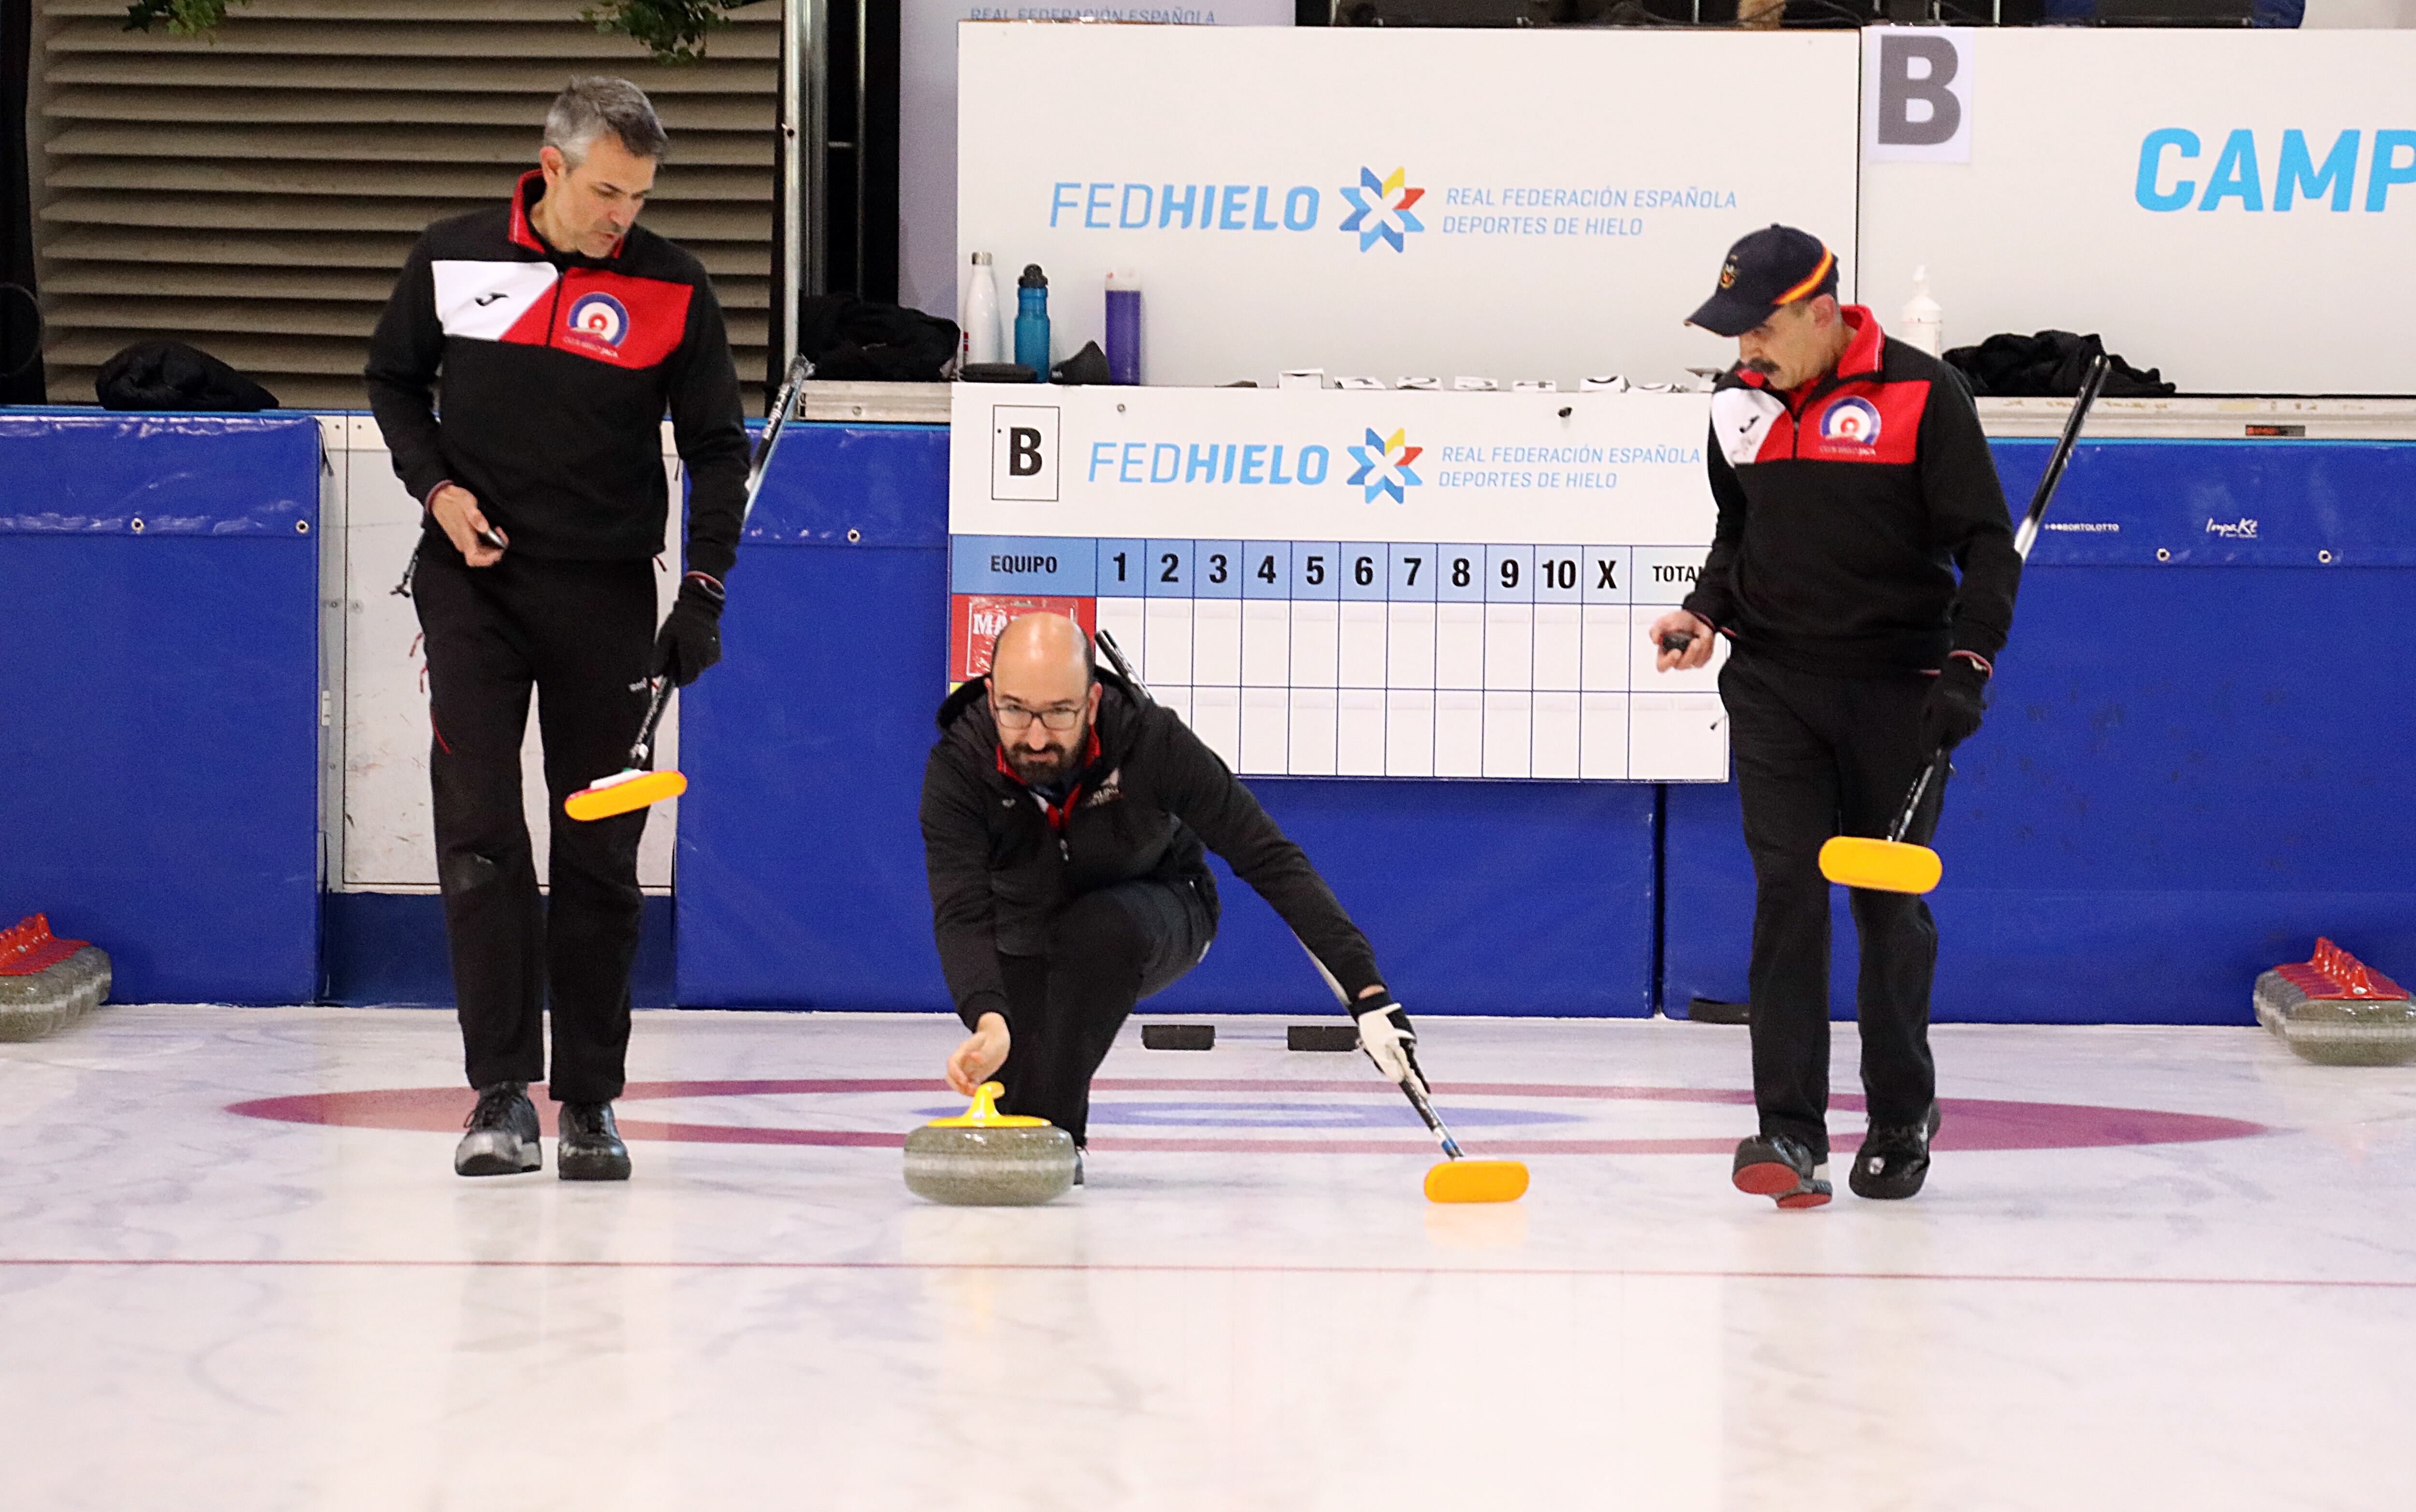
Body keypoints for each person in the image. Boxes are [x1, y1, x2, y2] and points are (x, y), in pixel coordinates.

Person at [365, 77, 750, 1181]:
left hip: (608, 598)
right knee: (482, 828)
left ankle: (588, 1100)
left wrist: (705, 592)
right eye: (607, 191)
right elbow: (392, 381)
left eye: (637, 195)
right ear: (551, 164)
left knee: (599, 851)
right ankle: (498, 1095)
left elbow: (718, 448)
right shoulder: (453, 256)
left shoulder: (674, 287)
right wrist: (437, 490)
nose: (621, 215)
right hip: (472, 587)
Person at [1649, 225, 2019, 1209]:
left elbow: (1987, 544)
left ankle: (1900, 1113)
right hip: (1774, 686)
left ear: (1822, 313)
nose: (1744, 353)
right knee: (1787, 893)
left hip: (1897, 688)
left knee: (1884, 907)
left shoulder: (1922, 392)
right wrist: (1708, 610)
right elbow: (1741, 527)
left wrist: (1966, 667)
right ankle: (1789, 1130)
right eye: (1732, 335)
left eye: (1759, 330)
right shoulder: (1736, 404)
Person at [919, 613, 1420, 1173]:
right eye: (1014, 710)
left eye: (1058, 713)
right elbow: (962, 911)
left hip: (1160, 907)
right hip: (1029, 934)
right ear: (989, 696)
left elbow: (1267, 857)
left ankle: (1059, 1144)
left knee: (1096, 933)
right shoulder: (959, 767)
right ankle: (1038, 1125)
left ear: (1089, 702)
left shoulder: (1150, 741)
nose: (1035, 737)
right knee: (1017, 1089)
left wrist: (1368, 992)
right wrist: (988, 1018)